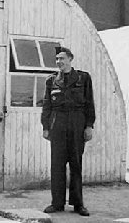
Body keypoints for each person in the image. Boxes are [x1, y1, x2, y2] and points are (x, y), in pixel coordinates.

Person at [41, 46, 95, 217]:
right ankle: (57, 203)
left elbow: (89, 103)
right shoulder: (51, 81)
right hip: (58, 124)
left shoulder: (83, 78)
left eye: (62, 58)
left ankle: (78, 204)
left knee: (76, 165)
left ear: (71, 59)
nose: (59, 62)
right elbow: (47, 105)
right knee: (57, 165)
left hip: (77, 123)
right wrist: (45, 127)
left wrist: (89, 125)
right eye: (57, 59)